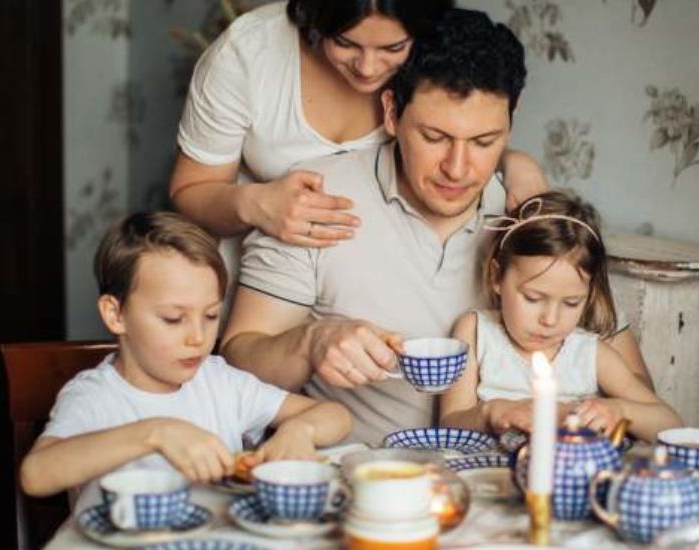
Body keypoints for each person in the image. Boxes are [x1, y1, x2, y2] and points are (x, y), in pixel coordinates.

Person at [221, 9, 655, 445]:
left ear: (512, 119)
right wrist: (310, 343)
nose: (458, 168)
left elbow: (637, 392)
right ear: (391, 112)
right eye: (434, 137)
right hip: (367, 476)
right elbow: (238, 359)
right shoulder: (316, 198)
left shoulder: (531, 217)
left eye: (484, 142)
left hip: (508, 481)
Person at [19, 212, 351, 497]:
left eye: (210, 316)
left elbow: (335, 415)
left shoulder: (219, 382)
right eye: (173, 319)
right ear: (115, 314)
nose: (197, 337)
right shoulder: (96, 396)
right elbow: (35, 476)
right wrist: (154, 433)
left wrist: (300, 430)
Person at [170, 0, 547, 247]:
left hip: (375, 280)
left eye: (392, 49)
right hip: (264, 277)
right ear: (315, 19)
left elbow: (460, 127)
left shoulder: (428, 56)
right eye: (345, 43)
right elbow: (190, 190)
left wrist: (511, 161)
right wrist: (253, 203)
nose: (367, 69)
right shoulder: (248, 56)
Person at [438, 191, 683, 442]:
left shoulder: (591, 354)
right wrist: (490, 412)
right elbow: (448, 425)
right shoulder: (475, 332)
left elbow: (672, 426)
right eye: (533, 298)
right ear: (497, 277)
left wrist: (620, 410)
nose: (550, 320)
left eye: (571, 303)